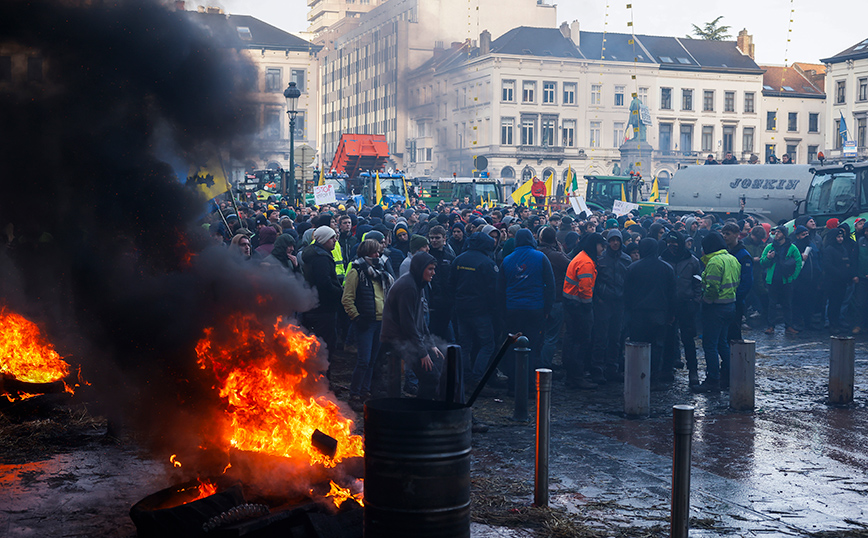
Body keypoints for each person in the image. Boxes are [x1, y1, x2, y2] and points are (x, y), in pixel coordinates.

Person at [497, 229, 555, 395]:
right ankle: (529, 386)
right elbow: (550, 286)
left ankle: (513, 386)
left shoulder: (507, 260)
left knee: (512, 347)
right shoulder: (540, 258)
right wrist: (547, 309)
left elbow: (499, 290)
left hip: (513, 310)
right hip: (535, 310)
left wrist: (503, 313)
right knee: (533, 347)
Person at [380, 252, 445, 400]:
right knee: (430, 377)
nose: (433, 273)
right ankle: (422, 415)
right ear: (420, 268)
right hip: (396, 339)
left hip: (408, 337)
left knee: (438, 366)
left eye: (434, 269)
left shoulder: (418, 283)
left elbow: (420, 320)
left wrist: (431, 345)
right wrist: (422, 352)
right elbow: (407, 323)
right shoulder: (408, 287)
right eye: (430, 269)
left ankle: (426, 411)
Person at [342, 239, 394, 411]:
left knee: (371, 360)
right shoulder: (356, 272)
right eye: (375, 252)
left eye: (378, 252)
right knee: (363, 361)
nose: (378, 255)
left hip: (380, 322)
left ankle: (365, 392)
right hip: (365, 323)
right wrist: (356, 318)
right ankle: (354, 394)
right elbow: (347, 298)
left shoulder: (381, 272)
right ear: (366, 253)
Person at [693, 232, 741, 393]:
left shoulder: (714, 262)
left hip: (715, 308)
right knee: (722, 343)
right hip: (730, 306)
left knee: (710, 345)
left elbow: (712, 287)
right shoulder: (732, 259)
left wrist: (706, 300)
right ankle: (733, 375)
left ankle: (713, 380)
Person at [624, 238, 676, 386]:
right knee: (657, 346)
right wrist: (671, 313)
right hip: (659, 313)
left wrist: (628, 311)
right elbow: (672, 294)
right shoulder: (666, 268)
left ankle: (638, 376)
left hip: (638, 313)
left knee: (638, 345)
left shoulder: (633, 267)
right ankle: (653, 377)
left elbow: (627, 292)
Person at [452, 232, 498, 387]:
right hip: (480, 311)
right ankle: (477, 377)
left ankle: (464, 375)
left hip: (461, 308)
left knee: (465, 344)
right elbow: (493, 290)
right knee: (488, 344)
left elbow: (451, 284)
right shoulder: (487, 263)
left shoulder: (459, 259)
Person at [563, 233, 607, 389]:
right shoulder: (587, 262)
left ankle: (571, 375)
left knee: (571, 340)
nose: (603, 249)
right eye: (602, 246)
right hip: (579, 307)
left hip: (570, 304)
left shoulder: (580, 256)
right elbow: (585, 288)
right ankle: (577, 376)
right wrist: (589, 307)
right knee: (581, 341)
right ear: (595, 245)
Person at [660, 231, 702, 386]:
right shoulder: (662, 259)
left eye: (675, 242)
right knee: (668, 339)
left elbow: (698, 283)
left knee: (688, 340)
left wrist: (695, 302)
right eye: (669, 242)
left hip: (686, 305)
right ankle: (667, 369)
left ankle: (693, 371)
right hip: (669, 306)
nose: (672, 246)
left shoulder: (693, 261)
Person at [301, 226, 344, 376]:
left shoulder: (312, 253)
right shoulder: (321, 258)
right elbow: (324, 283)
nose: (335, 240)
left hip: (314, 306)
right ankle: (323, 381)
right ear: (323, 239)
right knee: (326, 346)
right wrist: (340, 291)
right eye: (332, 238)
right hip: (324, 309)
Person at [591, 228, 631, 382]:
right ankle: (597, 368)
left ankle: (612, 367)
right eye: (612, 240)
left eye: (617, 240)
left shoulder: (626, 260)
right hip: (603, 302)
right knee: (600, 337)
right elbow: (594, 282)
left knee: (616, 337)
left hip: (619, 302)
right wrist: (598, 299)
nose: (615, 243)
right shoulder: (600, 260)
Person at [537, 226, 570, 371]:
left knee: (541, 335)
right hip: (556, 299)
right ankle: (544, 365)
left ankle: (538, 362)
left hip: (538, 299)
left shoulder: (536, 253)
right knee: (551, 337)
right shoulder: (556, 256)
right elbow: (571, 265)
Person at [760, 226, 802, 335]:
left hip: (786, 280)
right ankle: (770, 326)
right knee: (772, 304)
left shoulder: (792, 248)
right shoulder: (770, 247)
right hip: (772, 280)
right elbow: (762, 262)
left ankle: (789, 326)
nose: (776, 234)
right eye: (775, 232)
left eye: (778, 232)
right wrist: (768, 258)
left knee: (787, 304)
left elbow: (798, 262)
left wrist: (793, 277)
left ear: (784, 234)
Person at [721, 223, 753, 341]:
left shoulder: (744, 255)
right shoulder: (724, 252)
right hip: (724, 300)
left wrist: (737, 297)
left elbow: (747, 281)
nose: (725, 236)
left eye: (728, 234)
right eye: (723, 234)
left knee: (734, 333)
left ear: (736, 235)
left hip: (736, 301)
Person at [822, 226, 857, 335]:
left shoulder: (842, 248)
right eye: (838, 237)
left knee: (839, 303)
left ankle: (836, 323)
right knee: (833, 304)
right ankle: (832, 324)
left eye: (841, 236)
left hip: (842, 281)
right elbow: (828, 265)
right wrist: (841, 273)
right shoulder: (829, 249)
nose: (841, 239)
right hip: (833, 282)